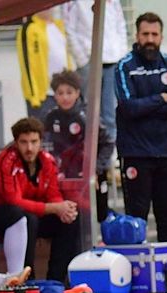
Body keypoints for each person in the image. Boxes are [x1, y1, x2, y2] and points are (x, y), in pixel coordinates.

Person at [115, 12, 167, 291]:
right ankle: (136, 278)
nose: (150, 39)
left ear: (161, 36)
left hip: (166, 151)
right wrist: (159, 99)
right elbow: (127, 108)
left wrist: (147, 104)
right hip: (135, 152)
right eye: (145, 34)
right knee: (136, 216)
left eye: (154, 35)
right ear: (136, 36)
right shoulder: (124, 67)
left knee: (166, 216)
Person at [0, 118, 81, 285]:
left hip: (30, 215)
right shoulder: (4, 162)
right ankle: (27, 279)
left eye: (34, 142)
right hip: (1, 217)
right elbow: (14, 201)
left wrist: (62, 208)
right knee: (25, 217)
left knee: (70, 218)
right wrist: (52, 207)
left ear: (41, 141)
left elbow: (53, 194)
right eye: (24, 142)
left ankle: (56, 281)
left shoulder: (47, 161)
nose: (29, 148)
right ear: (16, 143)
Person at [64, 0, 129, 176]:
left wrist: (121, 53)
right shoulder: (74, 2)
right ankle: (88, 162)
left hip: (112, 60)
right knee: (89, 115)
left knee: (110, 115)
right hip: (89, 61)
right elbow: (68, 27)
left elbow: (120, 25)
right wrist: (83, 58)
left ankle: (108, 164)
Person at [45, 70, 114, 221]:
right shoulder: (51, 117)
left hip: (91, 177)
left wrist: (95, 169)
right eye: (60, 93)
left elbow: (107, 143)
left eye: (69, 92)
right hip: (64, 179)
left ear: (77, 93)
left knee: (97, 215)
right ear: (54, 95)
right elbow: (45, 146)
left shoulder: (87, 116)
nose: (65, 97)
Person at [16, 8, 74, 120]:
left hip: (63, 93)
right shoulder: (29, 29)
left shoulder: (59, 26)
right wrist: (34, 96)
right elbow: (27, 65)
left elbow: (66, 57)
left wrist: (71, 86)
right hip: (43, 95)